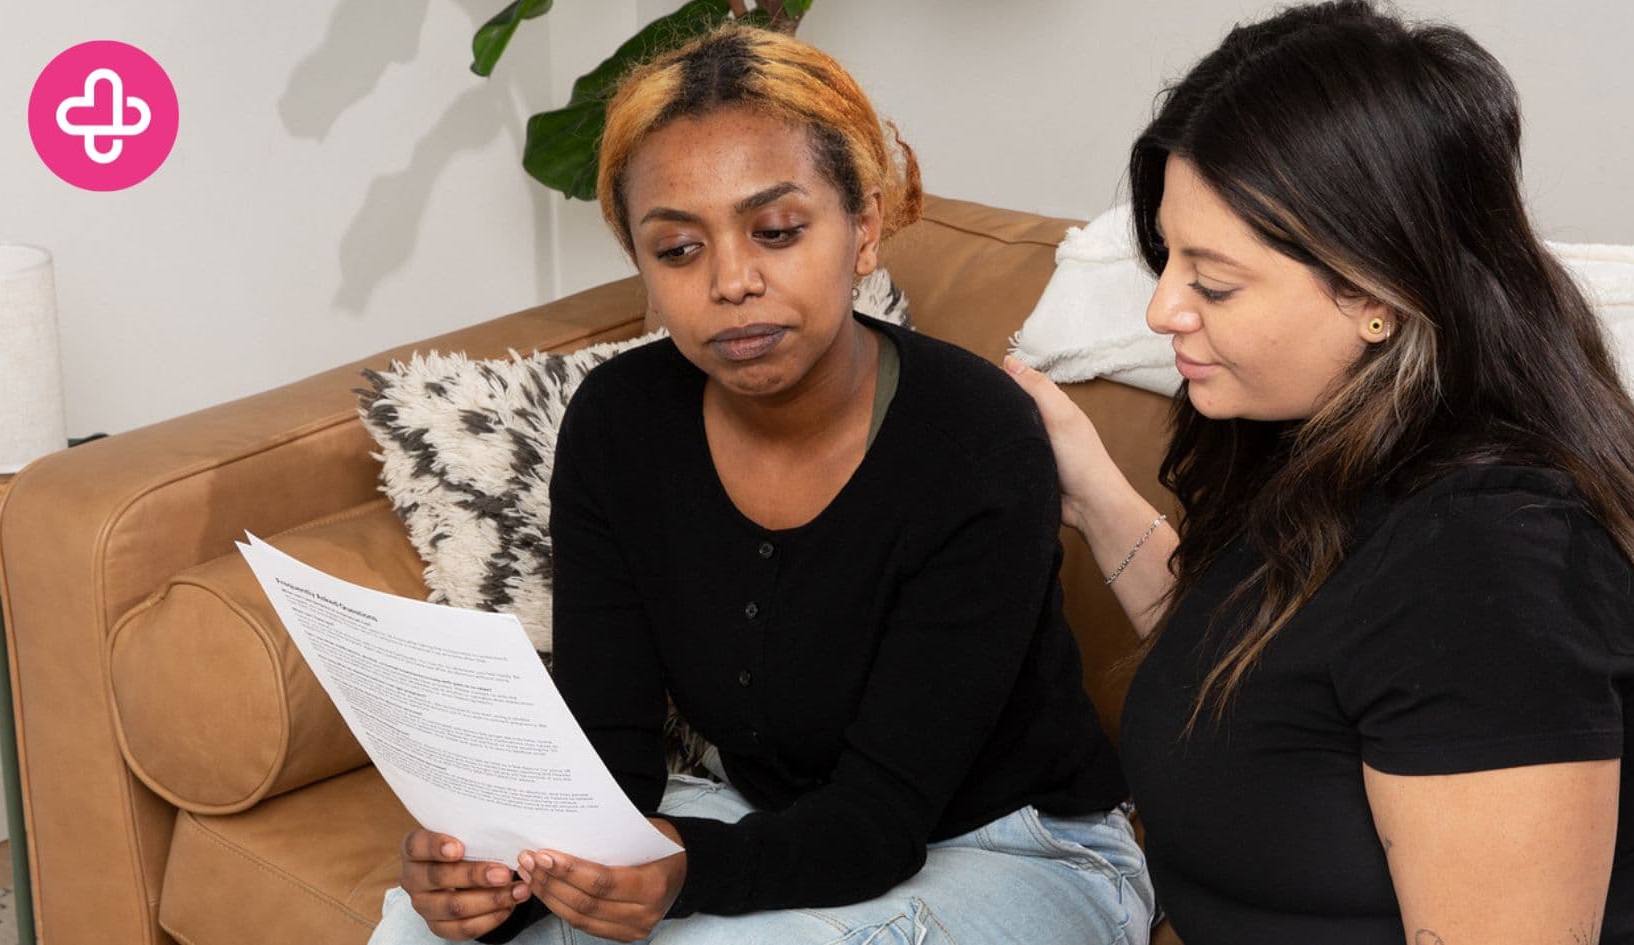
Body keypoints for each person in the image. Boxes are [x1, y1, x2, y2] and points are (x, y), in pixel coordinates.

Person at [1002, 2, 1634, 943]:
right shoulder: (1334, 437)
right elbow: (1277, 678)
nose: (1163, 310)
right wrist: (1090, 487)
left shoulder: (1493, 572)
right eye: (1166, 259)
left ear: (1374, 290)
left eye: (1213, 281)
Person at [369, 25, 1152, 945]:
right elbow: (610, 755)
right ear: (641, 263)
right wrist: (506, 883)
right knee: (422, 934)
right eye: (678, 249)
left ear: (863, 228)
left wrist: (683, 871)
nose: (733, 281)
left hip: (1016, 846)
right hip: (763, 818)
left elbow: (880, 818)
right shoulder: (619, 425)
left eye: (777, 231)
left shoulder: (974, 440)